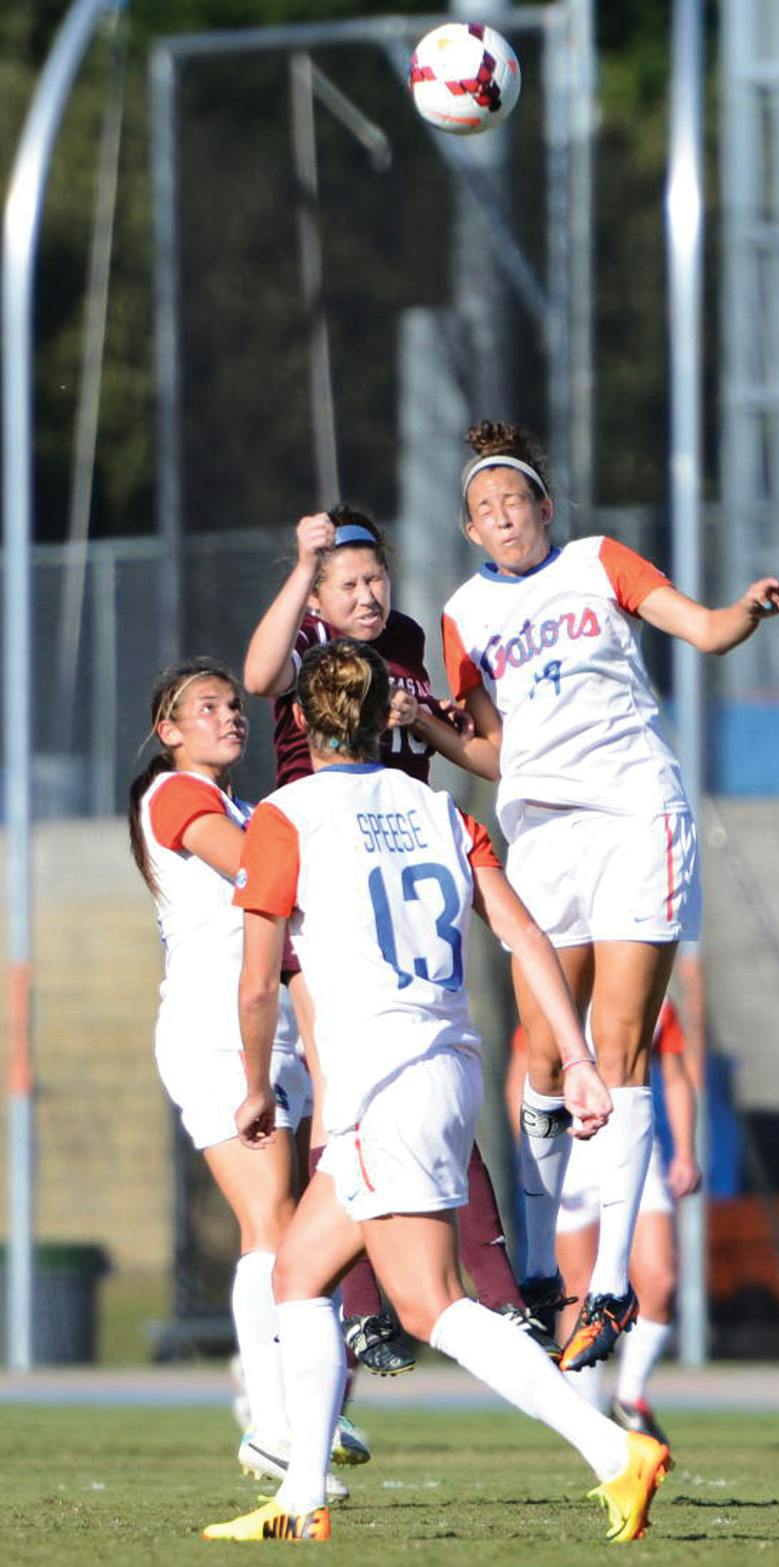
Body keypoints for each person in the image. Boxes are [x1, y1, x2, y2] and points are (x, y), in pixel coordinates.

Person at [201, 638, 666, 1546]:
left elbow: (259, 983)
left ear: (298, 719)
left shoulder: (286, 815)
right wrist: (574, 1056)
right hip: (443, 1064)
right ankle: (301, 1498)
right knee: (300, 1274)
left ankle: (613, 1449)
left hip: (380, 1078)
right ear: (386, 719)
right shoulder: (439, 807)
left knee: (430, 1303)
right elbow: (525, 935)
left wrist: (256, 1083)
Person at [441, 419, 779, 1373]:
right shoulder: (464, 613)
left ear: (544, 509)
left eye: (514, 499)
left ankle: (606, 1286)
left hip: (636, 809)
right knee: (545, 1058)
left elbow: (707, 629)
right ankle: (541, 1271)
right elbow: (494, 747)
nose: (502, 515)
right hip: (544, 834)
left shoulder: (599, 561)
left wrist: (748, 609)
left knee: (619, 1045)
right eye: (485, 508)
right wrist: (428, 732)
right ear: (471, 531)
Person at [242, 507, 550, 1366]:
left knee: (426, 1074)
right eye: (348, 582)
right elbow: (261, 674)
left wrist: (430, 722)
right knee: (343, 1081)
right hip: (331, 884)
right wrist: (304, 566)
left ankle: (499, 1290)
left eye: (375, 577)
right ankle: (363, 1300)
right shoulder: (305, 635)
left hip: (404, 875)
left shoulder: (413, 639)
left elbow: (486, 752)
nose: (367, 595)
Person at [127, 657, 346, 1502]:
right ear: (171, 730)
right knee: (271, 1220)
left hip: (267, 1037)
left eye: (232, 704)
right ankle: (273, 1418)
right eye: (206, 707)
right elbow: (261, 869)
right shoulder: (179, 795)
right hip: (214, 1034)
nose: (230, 715)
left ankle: (286, 1405)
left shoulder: (248, 805)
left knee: (286, 1228)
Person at [507, 950, 703, 1446]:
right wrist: (536, 1152)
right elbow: (527, 1075)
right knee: (577, 1286)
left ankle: (631, 1396)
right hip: (573, 1150)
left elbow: (676, 1079)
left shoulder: (651, 997)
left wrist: (685, 1152)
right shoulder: (558, 994)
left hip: (634, 1148)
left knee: (659, 1279)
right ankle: (588, 1417)